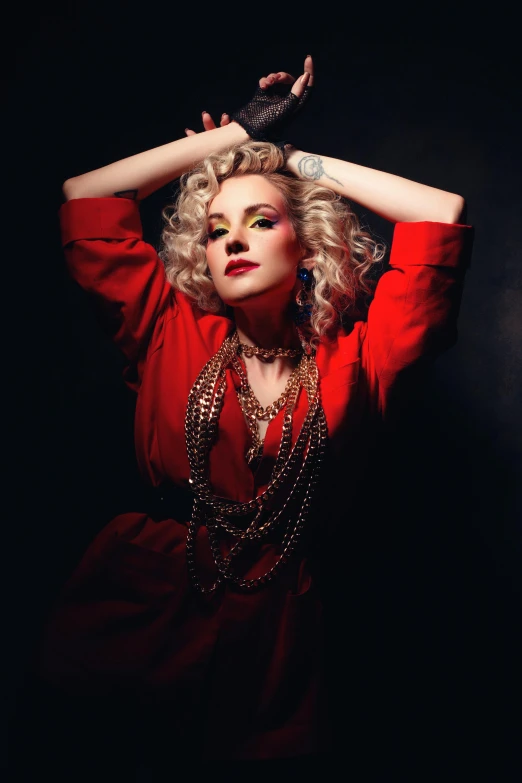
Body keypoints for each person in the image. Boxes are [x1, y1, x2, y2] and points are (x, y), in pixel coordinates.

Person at [32, 55, 473, 776]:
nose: (233, 239)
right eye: (215, 230)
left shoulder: (364, 358)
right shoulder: (166, 328)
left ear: (305, 245)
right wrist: (235, 134)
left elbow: (441, 213)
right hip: (138, 604)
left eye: (260, 220)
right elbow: (85, 196)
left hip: (280, 636)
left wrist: (289, 157)